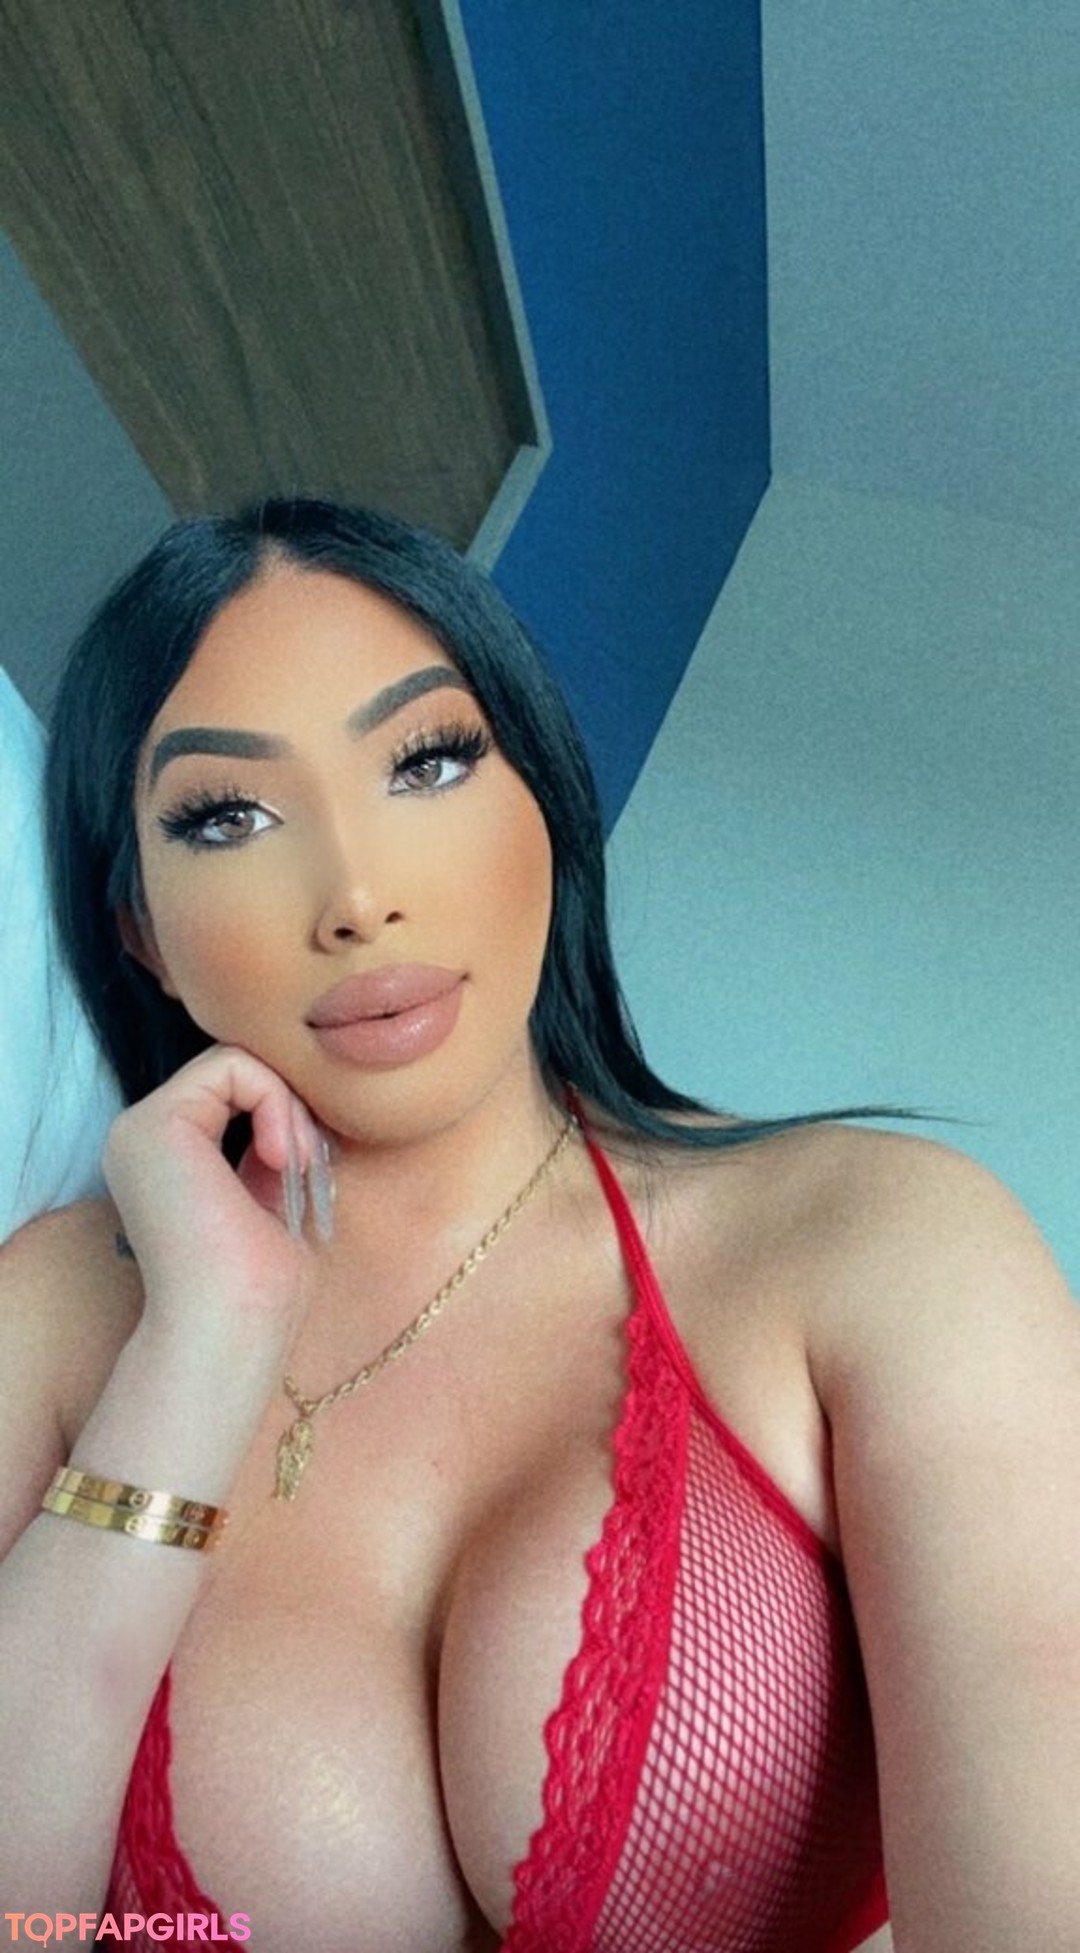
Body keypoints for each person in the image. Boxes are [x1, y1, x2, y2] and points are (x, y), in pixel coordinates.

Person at [0, 497, 1076, 1953]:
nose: (357, 896)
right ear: (140, 930)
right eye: (227, 815)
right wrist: (193, 1356)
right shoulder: (58, 1319)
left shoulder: (885, 1247)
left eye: (426, 759)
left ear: (546, 809)